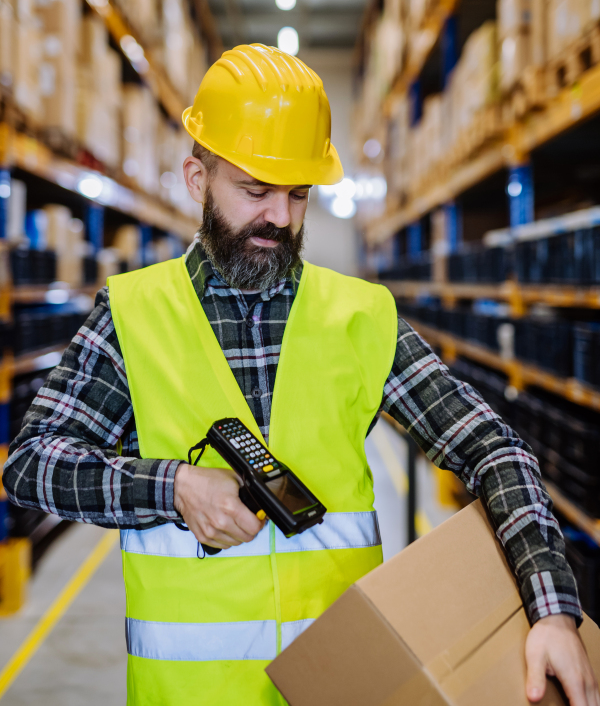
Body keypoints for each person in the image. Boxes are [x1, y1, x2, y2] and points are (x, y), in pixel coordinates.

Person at [4, 44, 598, 706]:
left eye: (298, 195)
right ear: (197, 179)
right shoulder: (132, 315)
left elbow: (492, 447)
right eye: (255, 191)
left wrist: (551, 610)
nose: (280, 219)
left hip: (347, 687)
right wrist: (170, 487)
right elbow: (31, 464)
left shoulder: (361, 316)